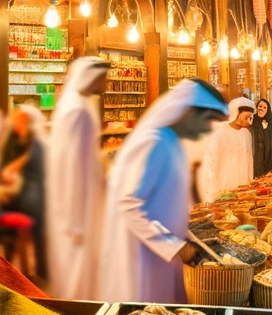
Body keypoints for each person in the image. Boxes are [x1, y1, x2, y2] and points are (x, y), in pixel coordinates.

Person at [97, 79, 230, 303]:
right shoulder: (153, 142)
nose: (208, 129)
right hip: (142, 257)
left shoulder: (171, 143)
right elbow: (129, 204)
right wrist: (174, 246)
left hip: (165, 253)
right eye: (207, 121)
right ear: (188, 112)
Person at [45, 57, 110, 300]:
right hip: (77, 203)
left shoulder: (78, 105)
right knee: (76, 263)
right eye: (103, 77)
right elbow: (71, 164)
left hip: (82, 197)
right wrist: (75, 219)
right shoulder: (76, 110)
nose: (106, 82)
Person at [0, 104, 48, 278]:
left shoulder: (37, 144)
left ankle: (40, 269)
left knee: (36, 214)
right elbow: (4, 167)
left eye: (21, 122)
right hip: (13, 192)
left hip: (32, 192)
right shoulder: (13, 139)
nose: (18, 126)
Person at [196, 97, 255, 201]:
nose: (249, 122)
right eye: (246, 118)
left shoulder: (247, 134)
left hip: (243, 187)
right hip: (223, 186)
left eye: (251, 118)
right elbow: (210, 164)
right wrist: (211, 193)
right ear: (235, 113)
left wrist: (250, 181)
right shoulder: (219, 132)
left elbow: (249, 159)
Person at [250, 97, 272, 176]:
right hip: (256, 158)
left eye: (264, 107)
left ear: (268, 109)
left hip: (270, 158)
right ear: (257, 107)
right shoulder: (252, 120)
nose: (261, 109)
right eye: (260, 106)